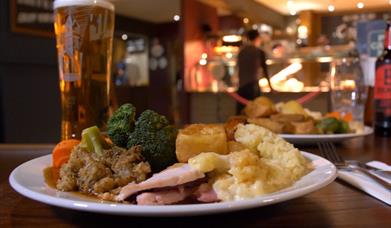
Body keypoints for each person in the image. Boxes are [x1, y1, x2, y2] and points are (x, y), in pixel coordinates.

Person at [236, 29, 269, 114]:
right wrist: (271, 87)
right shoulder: (259, 52)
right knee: (254, 114)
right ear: (258, 38)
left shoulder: (241, 52)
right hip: (253, 87)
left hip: (241, 87)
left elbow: (238, 69)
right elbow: (265, 71)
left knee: (241, 114)